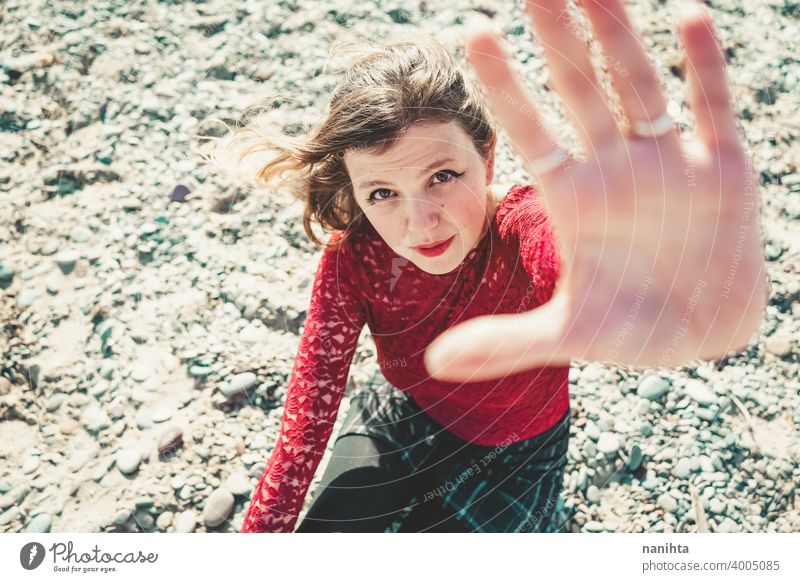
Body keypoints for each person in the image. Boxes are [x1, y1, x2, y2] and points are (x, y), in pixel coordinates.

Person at [228, 0, 768, 533]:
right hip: (401, 417)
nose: (421, 224)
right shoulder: (356, 259)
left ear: (486, 157)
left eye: (442, 176)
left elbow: (575, 258)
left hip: (516, 454)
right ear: (357, 193)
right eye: (383, 192)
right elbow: (304, 427)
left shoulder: (530, 229)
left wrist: (679, 285)